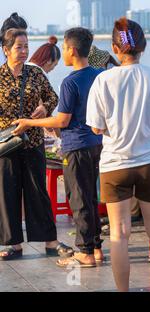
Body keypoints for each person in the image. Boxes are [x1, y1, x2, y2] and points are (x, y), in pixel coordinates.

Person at [86, 17, 150, 292]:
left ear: (115, 48)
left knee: (119, 235)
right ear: (143, 46)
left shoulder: (103, 80)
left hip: (115, 165)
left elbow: (96, 126)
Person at [13, 27, 105, 268]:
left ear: (72, 51)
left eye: (64, 48)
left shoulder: (70, 81)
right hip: (97, 144)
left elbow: (62, 120)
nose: (63, 52)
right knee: (91, 197)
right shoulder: (98, 75)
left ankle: (84, 252)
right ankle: (96, 248)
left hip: (76, 146)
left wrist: (29, 122)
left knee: (79, 198)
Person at [0, 28, 73, 260]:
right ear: (6, 50)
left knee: (37, 192)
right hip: (6, 144)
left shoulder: (35, 74)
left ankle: (50, 241)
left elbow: (53, 97)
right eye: (18, 47)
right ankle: (12, 243)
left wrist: (44, 109)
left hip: (33, 142)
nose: (23, 51)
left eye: (26, 46)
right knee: (7, 193)